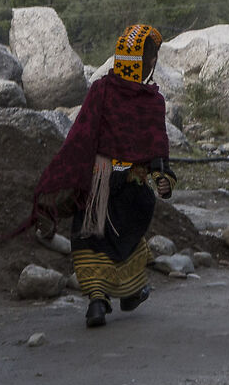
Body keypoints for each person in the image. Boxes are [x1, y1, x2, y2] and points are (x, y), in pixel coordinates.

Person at [29, 23, 176, 329]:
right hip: (134, 187)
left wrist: (69, 176)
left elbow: (80, 137)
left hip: (98, 183)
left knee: (90, 240)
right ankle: (131, 291)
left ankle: (97, 302)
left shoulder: (100, 91)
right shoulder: (152, 102)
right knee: (128, 241)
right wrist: (163, 177)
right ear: (148, 62)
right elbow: (156, 148)